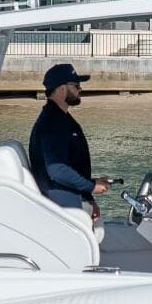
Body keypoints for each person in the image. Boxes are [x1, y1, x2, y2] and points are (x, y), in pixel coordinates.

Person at [29, 63, 108, 219]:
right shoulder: (52, 123)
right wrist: (91, 187)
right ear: (62, 89)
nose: (80, 90)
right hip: (61, 203)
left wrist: (89, 197)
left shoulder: (60, 118)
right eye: (76, 85)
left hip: (68, 196)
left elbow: (73, 164)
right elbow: (57, 169)